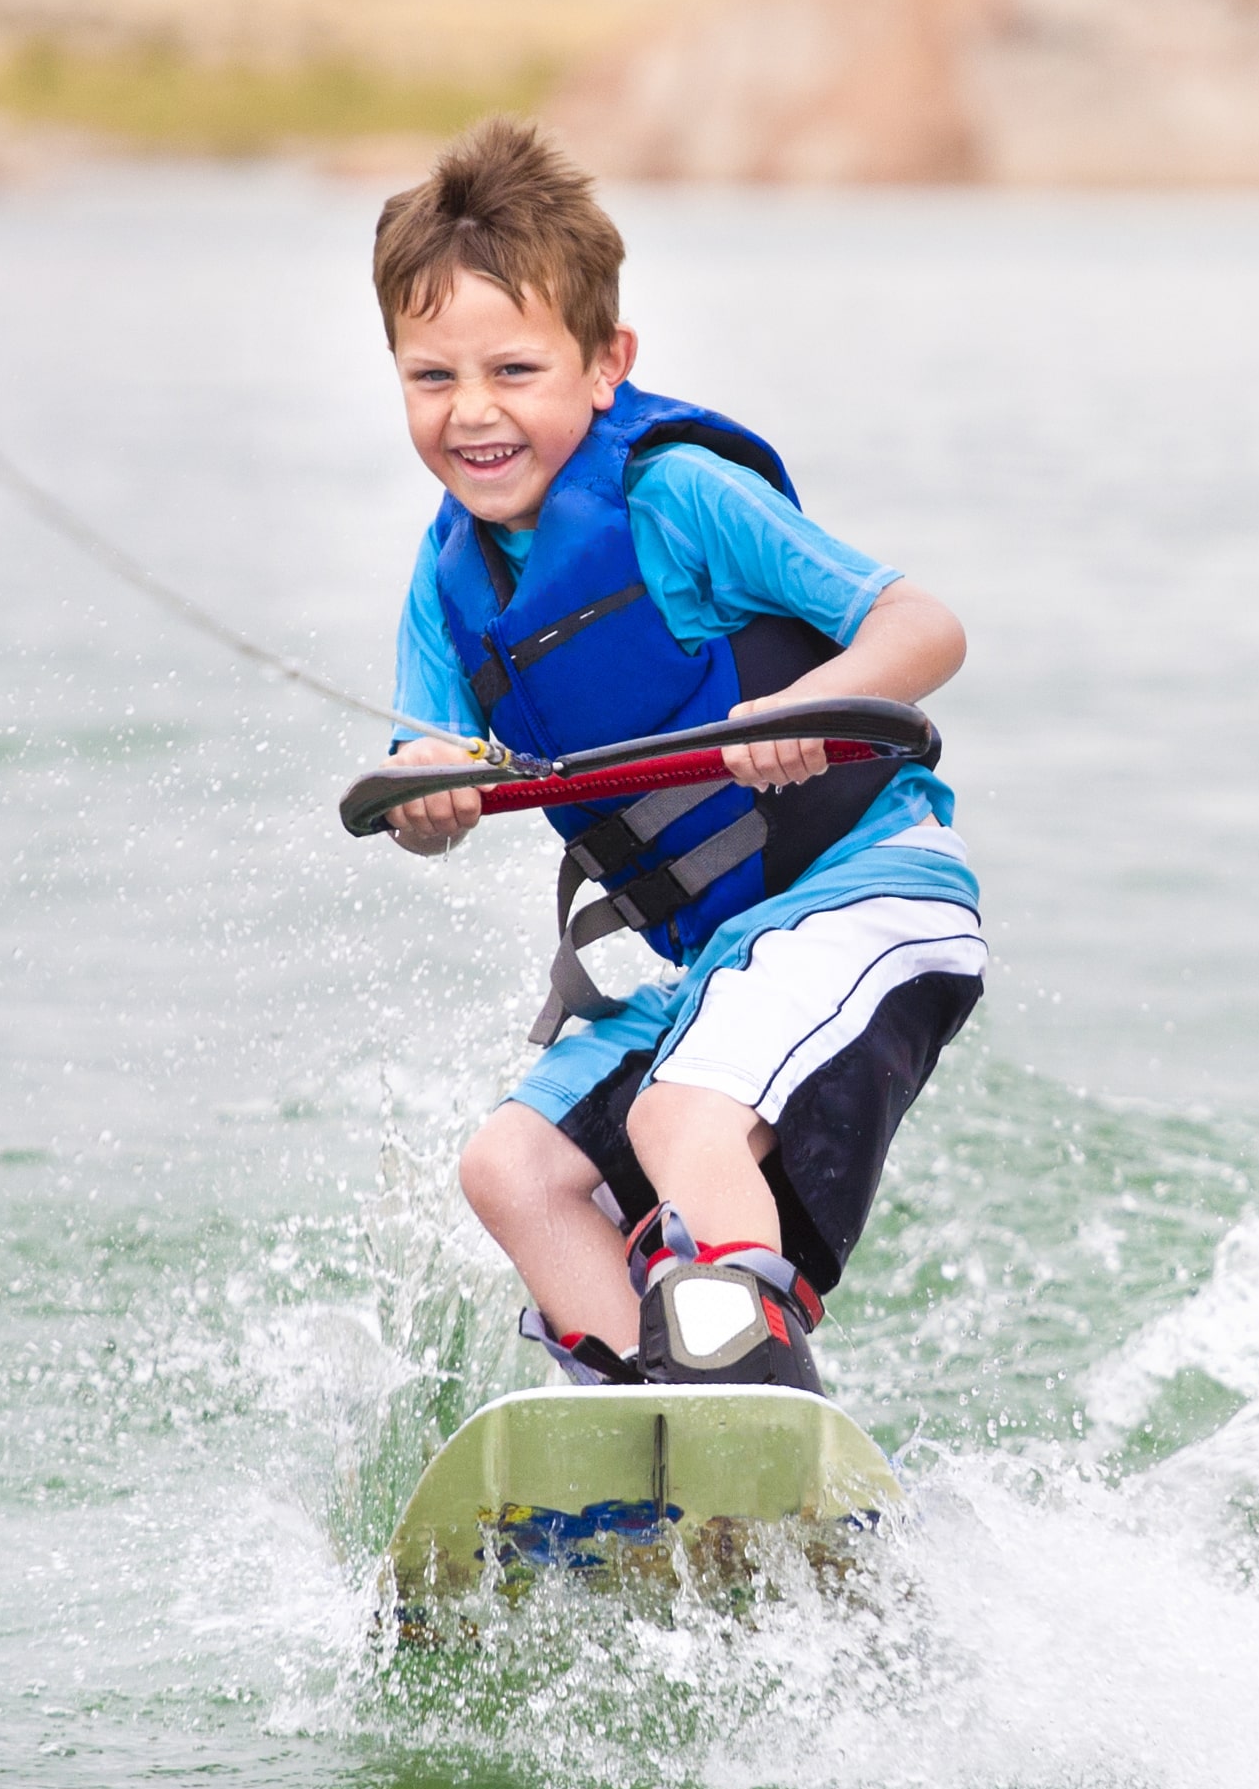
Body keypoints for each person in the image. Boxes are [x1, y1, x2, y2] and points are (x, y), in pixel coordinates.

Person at [374, 116, 984, 1391]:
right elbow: (425, 749)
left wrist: (799, 712)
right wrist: (428, 799)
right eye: (432, 379)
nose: (472, 414)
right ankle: (646, 1418)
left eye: (513, 371)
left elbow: (923, 627)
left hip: (868, 894)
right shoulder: (447, 591)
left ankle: (745, 1400)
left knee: (675, 1117)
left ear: (606, 366)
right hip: (704, 960)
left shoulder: (677, 499)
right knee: (510, 1168)